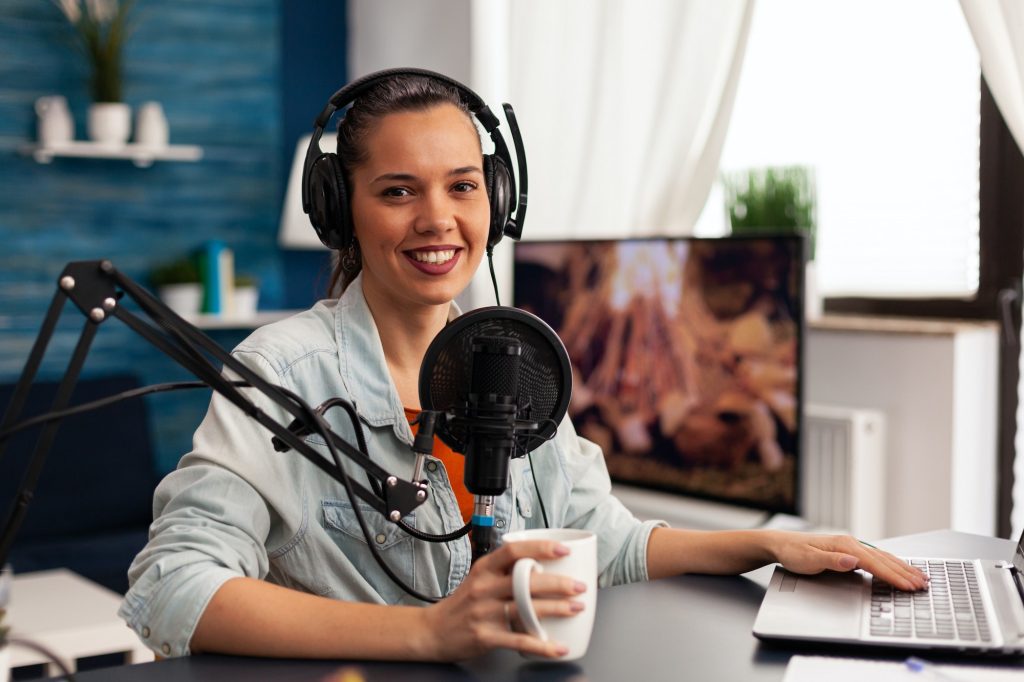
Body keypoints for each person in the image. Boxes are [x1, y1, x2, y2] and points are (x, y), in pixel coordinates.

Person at [119, 70, 927, 663]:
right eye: (398, 191)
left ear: (496, 203)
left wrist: (765, 547)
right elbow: (171, 587)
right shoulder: (284, 371)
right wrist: (428, 634)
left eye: (462, 186)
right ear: (341, 209)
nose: (438, 219)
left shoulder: (515, 357)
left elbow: (602, 542)